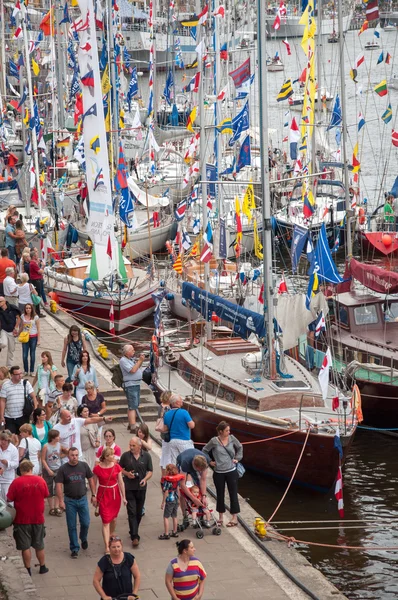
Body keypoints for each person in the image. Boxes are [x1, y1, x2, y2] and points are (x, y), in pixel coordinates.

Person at [7, 459, 49, 576]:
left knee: (25, 546)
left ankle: (28, 569)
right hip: (38, 518)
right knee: (39, 544)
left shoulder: (16, 482)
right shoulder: (40, 481)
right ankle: (42, 566)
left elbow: (9, 498)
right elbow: (46, 495)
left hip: (22, 519)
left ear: (21, 470)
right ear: (31, 468)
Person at [55, 447, 96, 558]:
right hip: (70, 501)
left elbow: (91, 479)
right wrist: (61, 501)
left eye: (77, 455)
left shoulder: (83, 466)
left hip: (82, 499)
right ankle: (74, 548)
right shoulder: (63, 469)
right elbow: (58, 485)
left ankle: (83, 537)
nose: (75, 457)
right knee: (71, 526)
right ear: (68, 456)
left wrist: (93, 495)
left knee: (86, 522)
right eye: (72, 455)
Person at [203, 421, 243, 527]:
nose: (229, 432)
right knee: (220, 494)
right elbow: (204, 450)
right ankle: (220, 517)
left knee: (233, 493)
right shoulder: (214, 441)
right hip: (219, 472)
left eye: (229, 430)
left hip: (231, 471)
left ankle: (234, 518)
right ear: (220, 431)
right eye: (226, 431)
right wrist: (210, 461)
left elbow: (240, 447)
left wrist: (237, 459)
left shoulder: (232, 438)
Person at [119, 436, 153, 548]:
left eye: (134, 445)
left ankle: (133, 529)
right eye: (130, 445)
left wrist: (145, 479)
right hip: (129, 487)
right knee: (132, 512)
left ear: (139, 446)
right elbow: (119, 469)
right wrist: (127, 474)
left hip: (141, 488)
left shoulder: (146, 456)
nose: (131, 447)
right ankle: (135, 536)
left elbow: (150, 471)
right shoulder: (125, 456)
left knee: (139, 512)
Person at [93, 447, 126, 553]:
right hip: (103, 495)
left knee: (114, 519)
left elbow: (121, 482)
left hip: (115, 495)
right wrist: (93, 495)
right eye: (111, 455)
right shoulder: (97, 469)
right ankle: (107, 546)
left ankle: (111, 534)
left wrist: (124, 497)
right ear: (106, 457)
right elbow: (93, 483)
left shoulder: (117, 467)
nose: (113, 456)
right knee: (105, 521)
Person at [93, 535, 141, 600]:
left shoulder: (129, 558)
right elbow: (96, 580)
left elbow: (137, 576)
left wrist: (134, 594)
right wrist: (104, 596)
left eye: (118, 546)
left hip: (127, 597)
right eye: (113, 547)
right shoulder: (104, 561)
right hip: (110, 598)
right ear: (109, 548)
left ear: (122, 546)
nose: (116, 549)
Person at [176, 449, 211, 525]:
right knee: (182, 493)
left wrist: (204, 496)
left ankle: (200, 516)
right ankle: (185, 517)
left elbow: (203, 479)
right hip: (182, 463)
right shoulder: (185, 463)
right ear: (195, 466)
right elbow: (182, 484)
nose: (200, 471)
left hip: (195, 464)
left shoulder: (206, 460)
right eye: (199, 470)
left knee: (199, 488)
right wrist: (193, 499)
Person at [0, 366, 37, 434]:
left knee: (23, 436)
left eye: (21, 373)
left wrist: (35, 409)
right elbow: (2, 401)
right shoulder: (5, 385)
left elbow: (34, 397)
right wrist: (1, 416)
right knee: (10, 437)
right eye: (17, 374)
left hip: (23, 416)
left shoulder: (26, 384)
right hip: (9, 417)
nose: (20, 376)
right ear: (12, 375)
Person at [162, 394, 195, 465]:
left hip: (172, 441)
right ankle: (185, 476)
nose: (182, 402)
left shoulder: (167, 414)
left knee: (175, 462)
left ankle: (175, 475)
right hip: (184, 440)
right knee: (189, 461)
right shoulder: (184, 412)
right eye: (181, 400)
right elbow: (192, 425)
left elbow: (165, 429)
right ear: (177, 402)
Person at [41, 429, 67, 516]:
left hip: (58, 468)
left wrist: (66, 453)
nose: (59, 438)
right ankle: (51, 507)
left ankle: (56, 507)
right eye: (57, 436)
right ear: (53, 437)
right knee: (49, 488)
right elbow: (43, 459)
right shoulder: (46, 446)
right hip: (48, 469)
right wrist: (48, 469)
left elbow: (60, 455)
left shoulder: (59, 445)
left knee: (58, 488)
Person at [120, 344, 145, 432]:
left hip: (136, 384)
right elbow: (133, 370)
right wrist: (139, 361)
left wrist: (140, 361)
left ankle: (131, 423)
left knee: (134, 405)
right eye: (132, 350)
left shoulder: (130, 359)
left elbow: (136, 368)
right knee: (132, 406)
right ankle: (133, 427)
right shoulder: (123, 360)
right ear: (127, 352)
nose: (134, 351)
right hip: (130, 385)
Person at [159, 463, 184, 540]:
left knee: (166, 517)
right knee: (174, 516)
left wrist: (163, 502)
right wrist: (179, 500)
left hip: (170, 500)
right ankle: (175, 532)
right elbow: (178, 490)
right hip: (176, 499)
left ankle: (166, 534)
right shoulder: (176, 480)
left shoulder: (167, 480)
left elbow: (166, 492)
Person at [19, 303, 40, 377]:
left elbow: (38, 329)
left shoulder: (36, 317)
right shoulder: (22, 316)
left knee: (32, 354)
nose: (28, 309)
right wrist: (18, 334)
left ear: (32, 309)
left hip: (33, 337)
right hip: (25, 337)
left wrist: (39, 340)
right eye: (27, 308)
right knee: (24, 355)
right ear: (25, 309)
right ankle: (25, 370)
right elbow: (21, 326)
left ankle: (32, 370)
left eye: (29, 308)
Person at [77, 404, 100, 470]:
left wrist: (98, 441)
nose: (87, 413)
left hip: (90, 448)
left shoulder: (93, 422)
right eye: (85, 411)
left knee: (91, 468)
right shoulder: (77, 423)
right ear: (80, 413)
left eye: (87, 411)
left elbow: (97, 433)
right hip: (81, 449)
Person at [0, 297, 21, 366]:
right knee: (3, 343)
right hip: (3, 330)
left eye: (0, 301)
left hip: (12, 330)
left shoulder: (12, 308)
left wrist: (16, 328)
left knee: (11, 350)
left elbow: (18, 318)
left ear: (4, 301)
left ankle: (9, 366)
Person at [0, 430, 19, 501]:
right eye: (2, 439)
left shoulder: (13, 449)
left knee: (8, 498)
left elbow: (16, 464)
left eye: (5, 440)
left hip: (8, 479)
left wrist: (7, 462)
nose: (3, 442)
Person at [159, 390, 172, 475]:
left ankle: (163, 473)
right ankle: (165, 473)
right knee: (167, 455)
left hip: (163, 433)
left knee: (164, 454)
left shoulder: (161, 406)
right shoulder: (167, 408)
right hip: (167, 434)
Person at [29, 250, 46, 314]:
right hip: (37, 281)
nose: (38, 256)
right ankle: (37, 312)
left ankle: (37, 311)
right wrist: (43, 266)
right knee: (38, 295)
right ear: (34, 256)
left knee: (38, 295)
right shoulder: (33, 263)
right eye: (36, 255)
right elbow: (40, 271)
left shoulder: (33, 263)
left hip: (37, 280)